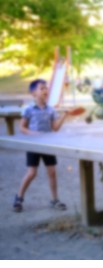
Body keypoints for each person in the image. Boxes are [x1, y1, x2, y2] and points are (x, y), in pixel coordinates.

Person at [13, 79, 69, 212]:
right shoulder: (29, 109)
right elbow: (22, 127)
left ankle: (55, 200)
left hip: (47, 145)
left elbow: (55, 128)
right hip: (34, 145)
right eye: (42, 88)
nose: (45, 90)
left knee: (52, 172)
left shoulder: (51, 110)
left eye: (46, 88)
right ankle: (19, 197)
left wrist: (64, 116)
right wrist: (33, 133)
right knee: (32, 173)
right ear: (33, 93)